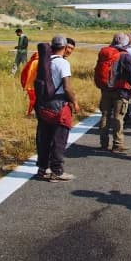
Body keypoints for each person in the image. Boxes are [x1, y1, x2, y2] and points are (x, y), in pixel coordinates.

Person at [36, 35, 80, 182]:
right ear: (64, 46)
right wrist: (74, 102)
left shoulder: (44, 61)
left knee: (45, 138)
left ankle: (43, 168)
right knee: (59, 139)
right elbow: (67, 87)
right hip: (58, 103)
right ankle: (57, 171)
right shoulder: (62, 63)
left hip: (43, 103)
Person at [98, 33, 131, 153]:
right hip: (120, 90)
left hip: (106, 89)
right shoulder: (126, 56)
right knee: (118, 117)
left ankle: (104, 143)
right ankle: (117, 144)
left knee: (105, 115)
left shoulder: (105, 53)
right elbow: (130, 74)